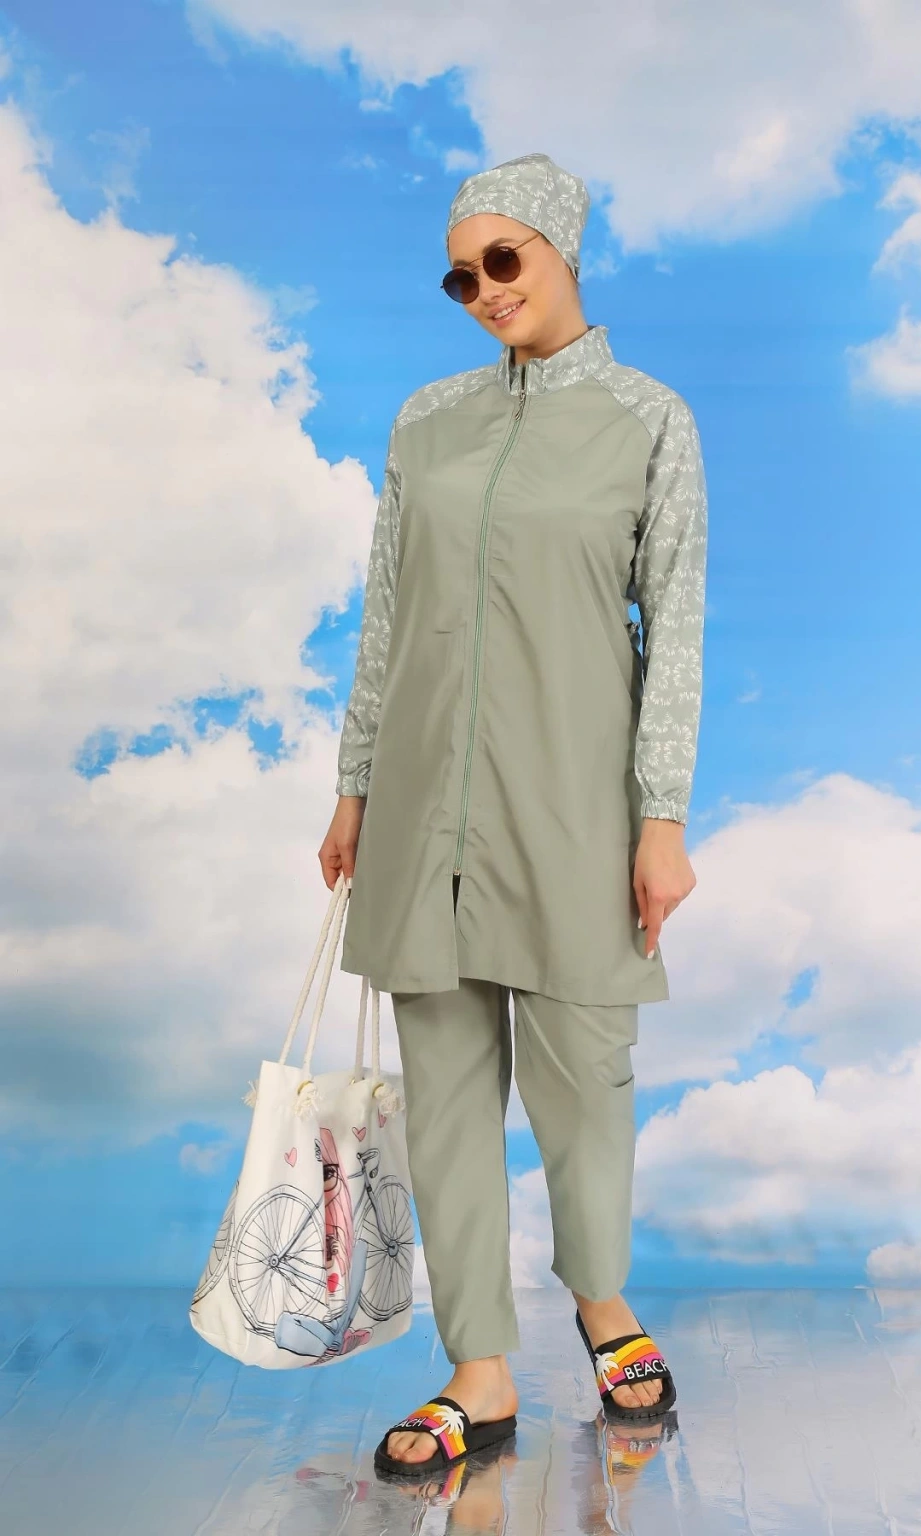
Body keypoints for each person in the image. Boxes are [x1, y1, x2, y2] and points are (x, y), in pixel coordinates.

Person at [318, 152, 708, 1478]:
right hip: (422, 801)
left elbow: (676, 630)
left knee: (587, 1079)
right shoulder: (428, 422)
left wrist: (662, 818)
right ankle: (477, 1374)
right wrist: (355, 784)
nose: (485, 290)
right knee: (444, 1096)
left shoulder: (650, 420)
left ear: (562, 250)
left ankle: (602, 1303)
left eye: (505, 260)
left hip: (575, 800)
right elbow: (386, 618)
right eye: (461, 277)